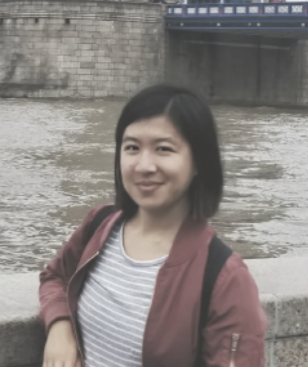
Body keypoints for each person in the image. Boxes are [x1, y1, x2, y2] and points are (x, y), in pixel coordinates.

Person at [39, 84, 267, 367]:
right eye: (132, 147)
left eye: (163, 149)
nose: (144, 165)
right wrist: (60, 326)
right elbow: (55, 277)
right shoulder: (100, 225)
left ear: (198, 162)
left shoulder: (226, 278)